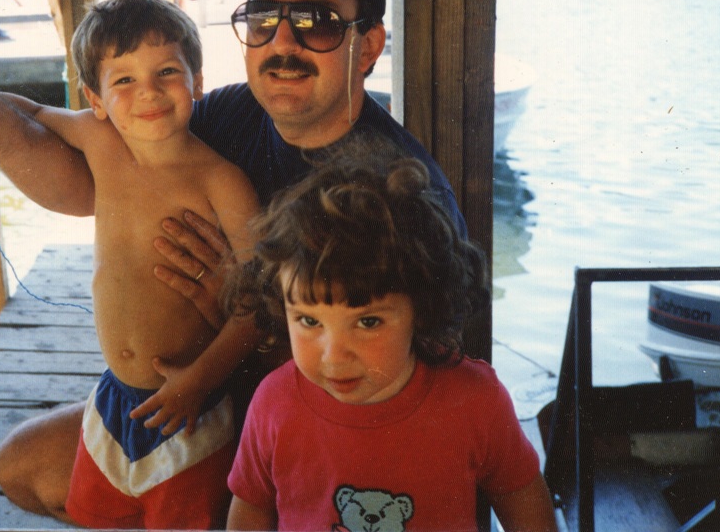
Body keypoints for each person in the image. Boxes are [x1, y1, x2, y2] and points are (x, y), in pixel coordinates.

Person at [0, 0, 470, 523]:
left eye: (317, 22)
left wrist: (252, 320)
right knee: (26, 469)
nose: (283, 43)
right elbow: (84, 184)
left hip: (321, 437)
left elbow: (414, 394)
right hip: (196, 405)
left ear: (368, 45)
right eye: (262, 18)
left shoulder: (401, 189)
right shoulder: (226, 115)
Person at [224, 146, 557, 532]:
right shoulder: (273, 404)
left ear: (421, 307)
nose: (334, 357)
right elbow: (251, 510)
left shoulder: (476, 400)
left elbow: (523, 499)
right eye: (309, 321)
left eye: (367, 322)